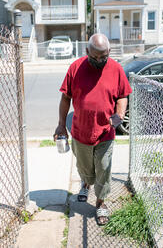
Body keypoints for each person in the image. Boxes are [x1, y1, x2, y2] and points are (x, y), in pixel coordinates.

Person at [53, 33, 132, 225]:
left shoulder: (116, 69)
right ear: (87, 51)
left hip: (106, 132)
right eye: (94, 57)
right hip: (81, 132)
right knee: (85, 168)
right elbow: (66, 98)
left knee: (104, 168)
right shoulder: (75, 68)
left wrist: (119, 114)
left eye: (103, 57)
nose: (99, 61)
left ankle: (101, 203)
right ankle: (86, 183)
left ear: (109, 52)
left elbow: (123, 95)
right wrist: (61, 124)